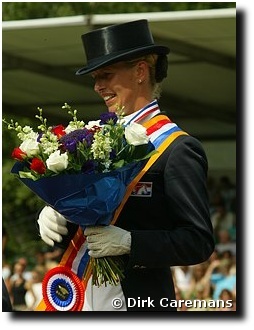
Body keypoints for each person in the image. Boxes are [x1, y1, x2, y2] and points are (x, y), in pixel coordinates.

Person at [37, 19, 214, 311]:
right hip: (78, 296)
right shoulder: (92, 138)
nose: (97, 86)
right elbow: (88, 223)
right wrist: (57, 213)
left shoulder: (177, 148)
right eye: (94, 78)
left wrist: (131, 242)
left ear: (141, 71)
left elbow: (198, 241)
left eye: (105, 75)